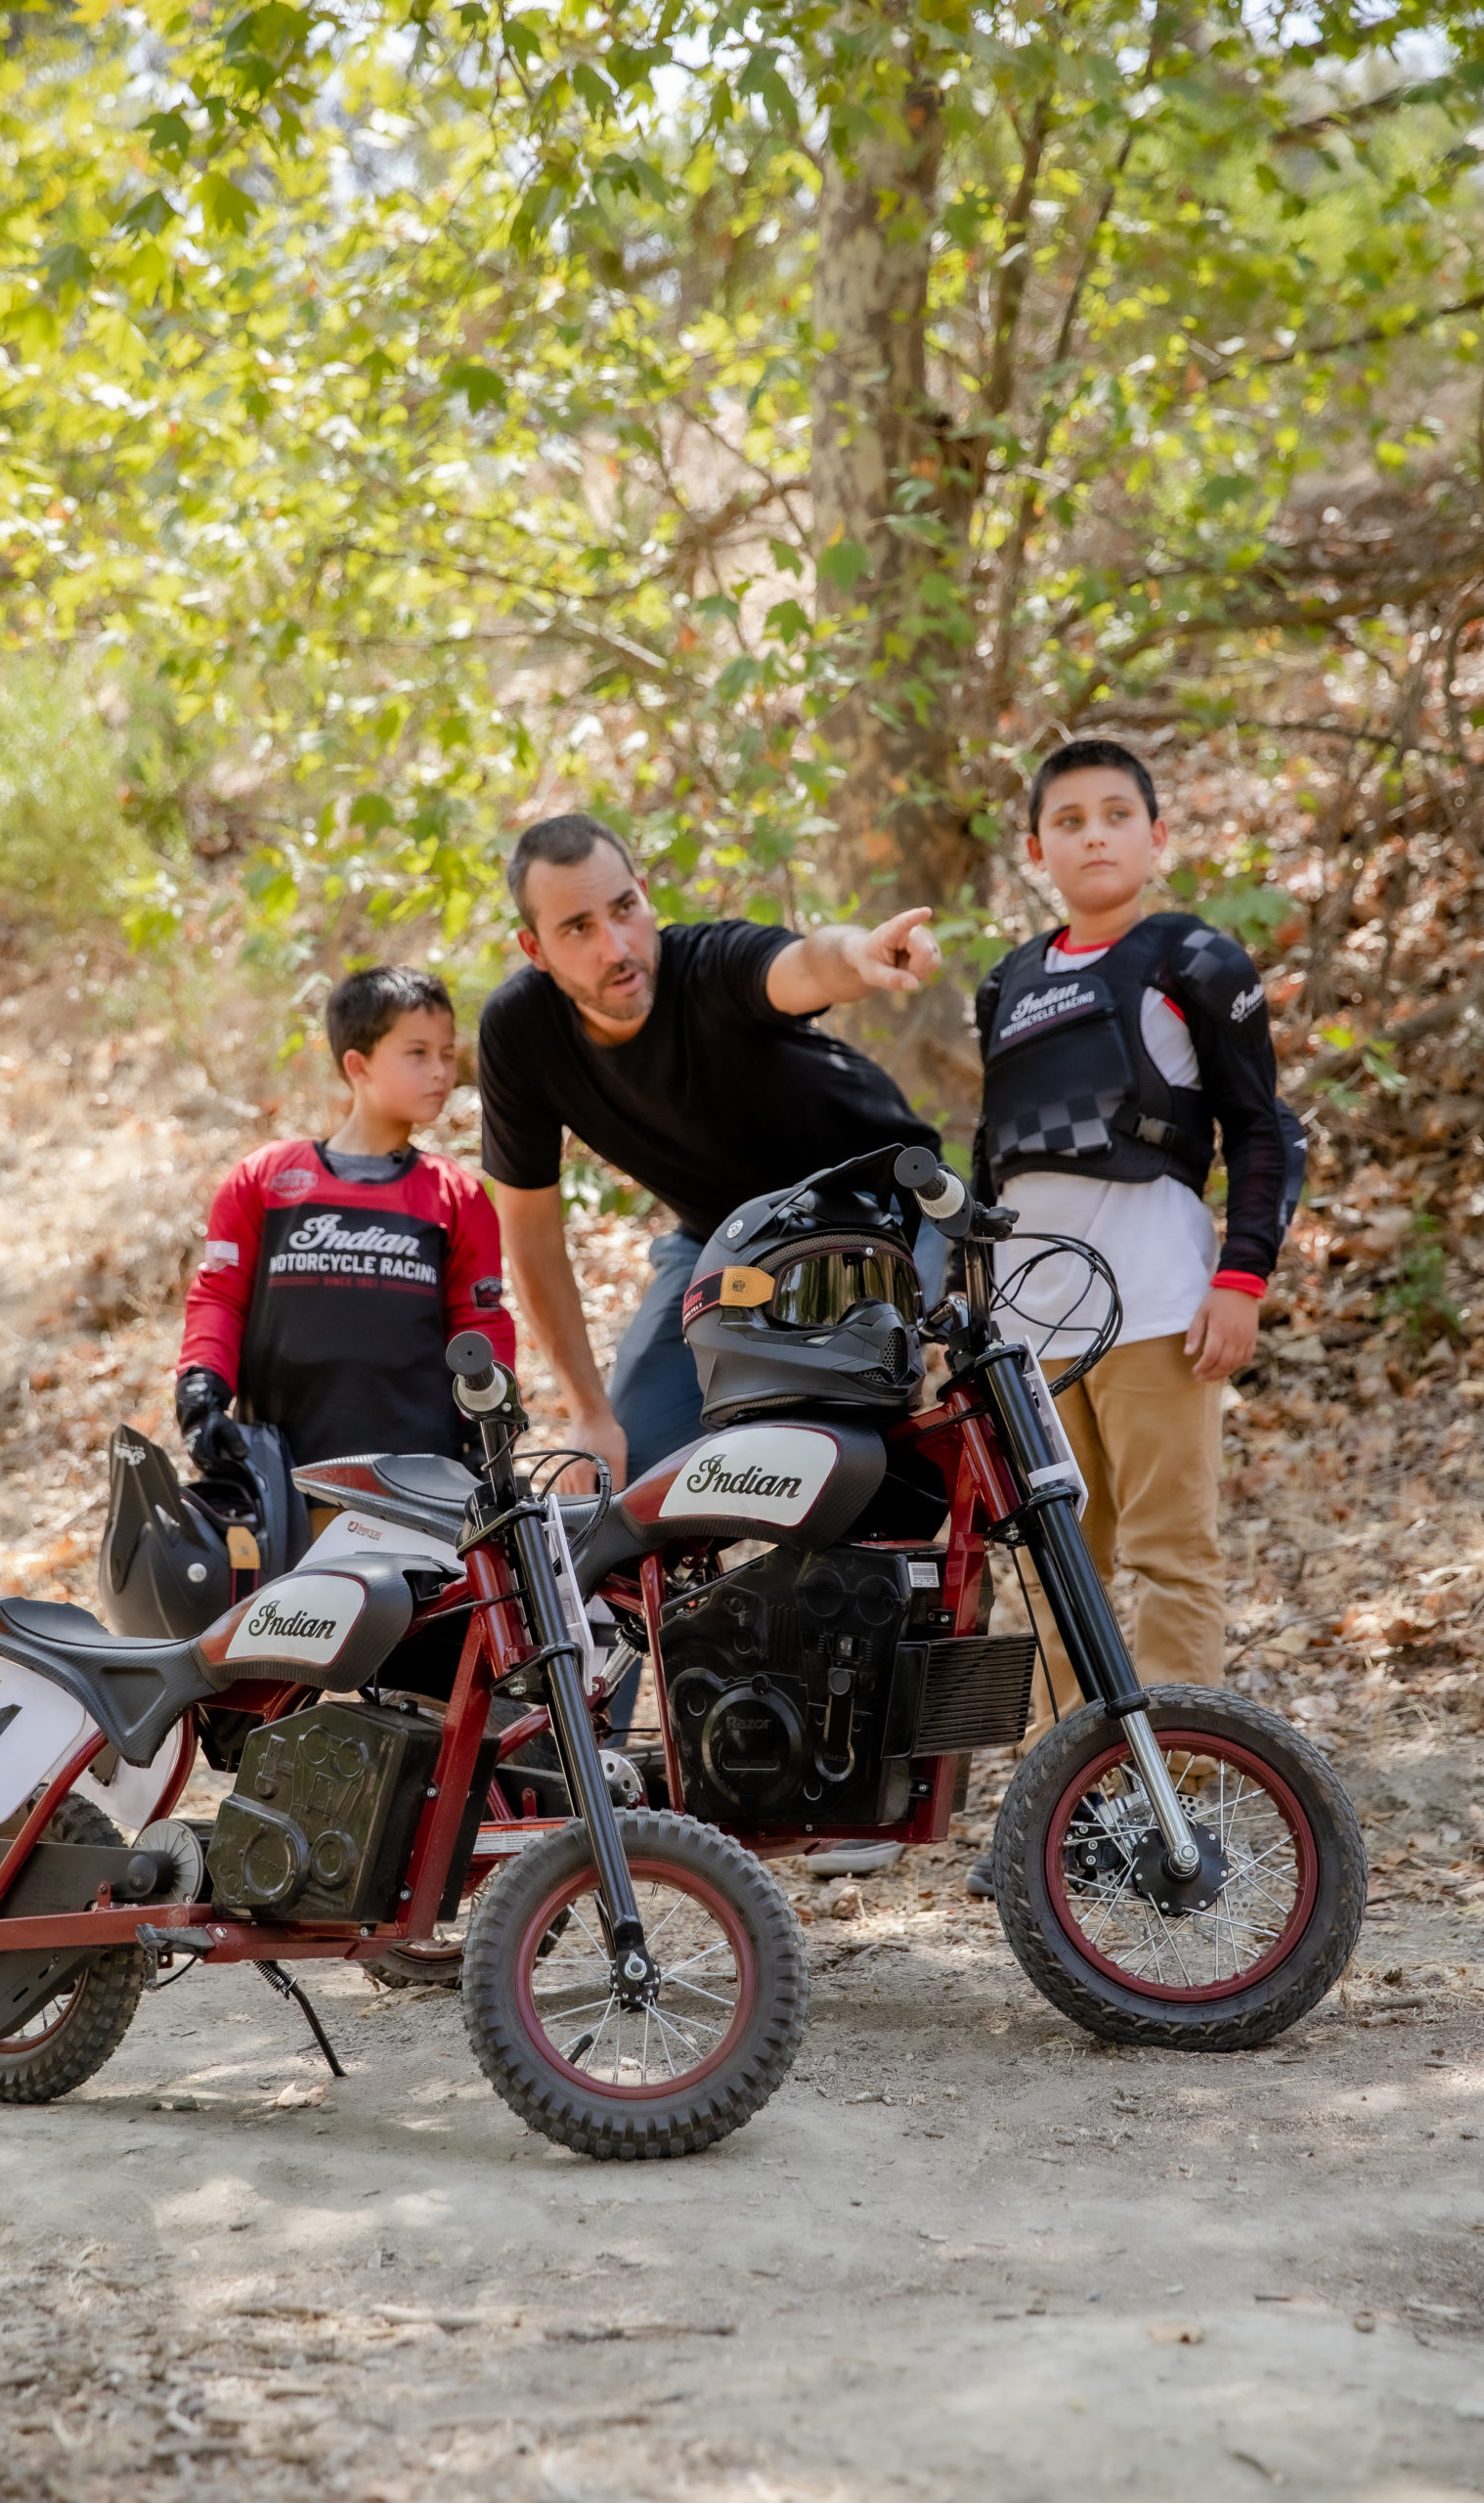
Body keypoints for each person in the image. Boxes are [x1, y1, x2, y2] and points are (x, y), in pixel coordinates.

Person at [963, 738, 1305, 1896]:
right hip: (1030, 1326)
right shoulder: (1005, 983)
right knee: (1057, 1569)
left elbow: (1265, 1130)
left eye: (1119, 814)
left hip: (1160, 1299)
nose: (1095, 833)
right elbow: (989, 1165)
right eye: (1070, 818)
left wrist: (1241, 1277)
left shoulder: (1192, 956)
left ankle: (1182, 1807)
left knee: (1169, 1554)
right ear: (1036, 849)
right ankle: (1074, 1818)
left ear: (1157, 838)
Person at [477, 812, 948, 1489]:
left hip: (883, 1207)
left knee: (866, 1470)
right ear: (534, 949)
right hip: (724, 1243)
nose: (615, 946)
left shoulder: (708, 965)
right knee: (625, 1479)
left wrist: (858, 954)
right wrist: (586, 1411)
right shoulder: (519, 1032)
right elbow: (530, 1234)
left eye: (624, 908)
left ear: (645, 893)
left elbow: (804, 965)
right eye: (578, 929)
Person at [175, 964, 514, 1478]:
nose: (443, 1071)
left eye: (447, 1053)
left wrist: (490, 1431)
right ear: (358, 1065)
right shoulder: (263, 1179)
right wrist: (201, 1399)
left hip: (423, 1484)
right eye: (418, 1053)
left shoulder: (457, 1194)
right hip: (280, 1478)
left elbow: (479, 1323)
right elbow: (220, 1297)